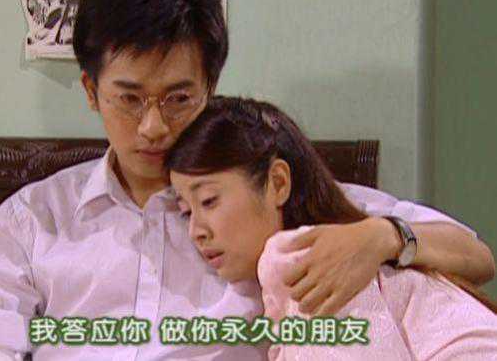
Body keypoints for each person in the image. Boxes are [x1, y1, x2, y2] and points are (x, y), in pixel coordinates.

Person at [0, 0, 495, 360]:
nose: (153, 126)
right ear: (92, 92)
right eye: (129, 98)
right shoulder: (32, 221)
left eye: (178, 98)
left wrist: (383, 236)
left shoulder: (261, 200)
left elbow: (476, 257)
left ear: (209, 88)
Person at [167, 96, 497, 360]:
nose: (196, 231)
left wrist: (385, 235)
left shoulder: (307, 260)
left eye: (209, 201)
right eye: (185, 212)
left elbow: (480, 258)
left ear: (278, 183)